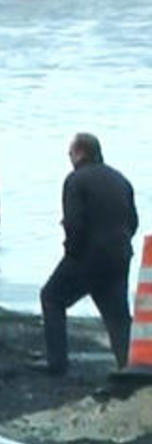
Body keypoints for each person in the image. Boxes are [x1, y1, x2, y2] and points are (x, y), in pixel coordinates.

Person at [34, 133, 138, 375]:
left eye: (70, 153)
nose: (69, 158)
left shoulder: (76, 180)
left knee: (52, 297)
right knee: (118, 315)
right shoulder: (120, 179)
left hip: (88, 256)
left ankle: (57, 363)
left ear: (80, 153)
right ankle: (128, 365)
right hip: (119, 255)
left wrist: (72, 251)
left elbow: (74, 223)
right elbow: (132, 221)